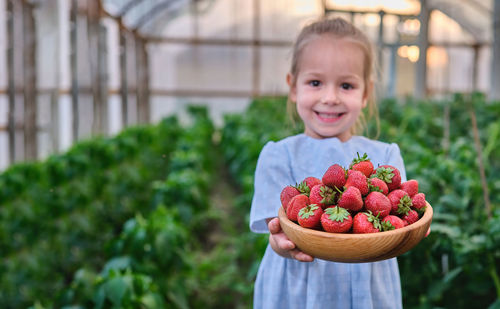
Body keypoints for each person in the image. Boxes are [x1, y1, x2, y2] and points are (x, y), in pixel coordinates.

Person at [249, 17, 406, 308]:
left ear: (366, 93)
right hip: (298, 288)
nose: (330, 97)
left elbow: (396, 223)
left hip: (368, 289)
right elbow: (277, 230)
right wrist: (282, 245)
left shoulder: (385, 157)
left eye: (346, 85)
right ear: (293, 87)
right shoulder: (278, 155)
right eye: (315, 82)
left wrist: (409, 229)